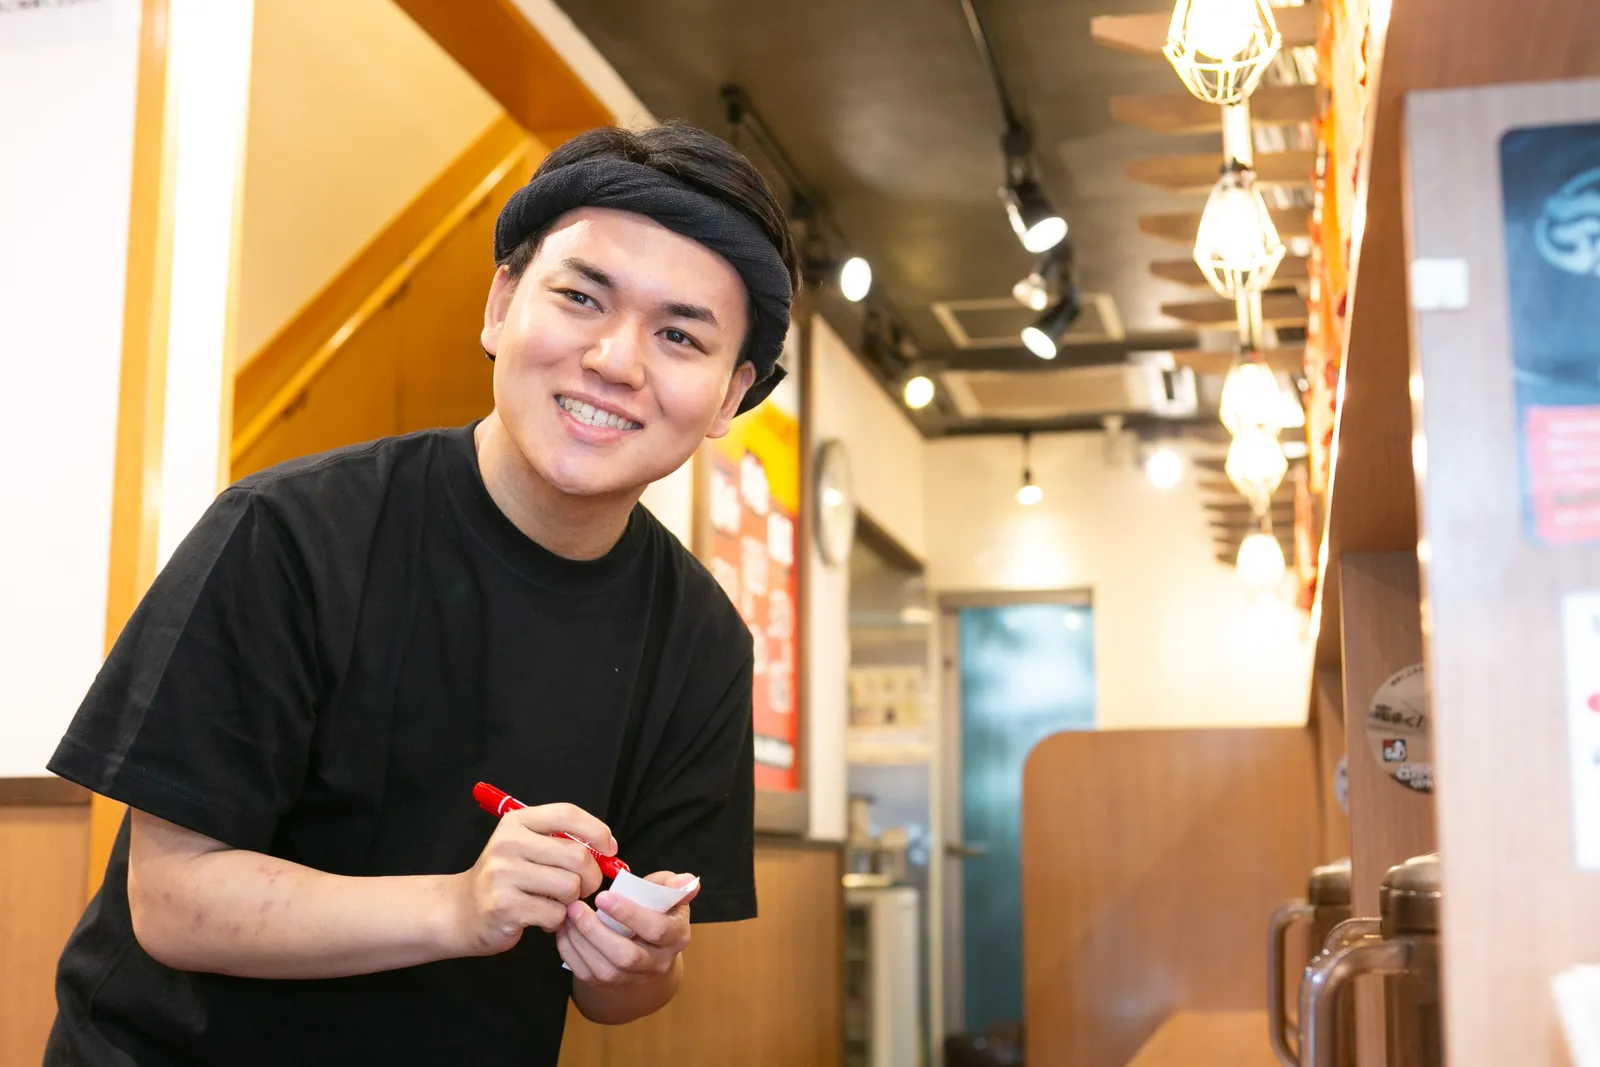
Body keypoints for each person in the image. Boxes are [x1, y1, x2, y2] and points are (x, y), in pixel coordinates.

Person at [42, 120, 799, 1066]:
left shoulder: (702, 640)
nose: (616, 359)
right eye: (580, 296)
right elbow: (174, 900)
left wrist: (632, 961)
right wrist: (458, 903)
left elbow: (626, 998)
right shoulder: (287, 533)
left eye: (680, 335)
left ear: (730, 397)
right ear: (501, 304)